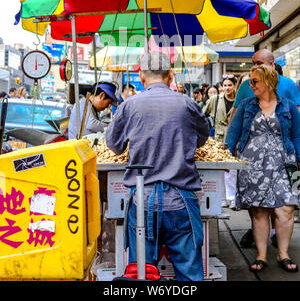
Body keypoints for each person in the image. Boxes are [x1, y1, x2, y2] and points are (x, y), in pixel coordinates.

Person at [106, 51, 210, 281]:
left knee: (142, 274)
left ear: (141, 77)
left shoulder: (129, 105)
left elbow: (114, 146)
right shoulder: (188, 103)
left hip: (142, 199)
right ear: (171, 76)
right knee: (190, 273)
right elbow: (202, 138)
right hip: (181, 200)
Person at [225, 64, 300, 273]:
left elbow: (297, 135)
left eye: (255, 81)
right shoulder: (248, 106)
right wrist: (225, 158)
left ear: (268, 81)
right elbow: (233, 133)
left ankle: (283, 254)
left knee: (287, 208)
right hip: (254, 164)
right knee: (259, 210)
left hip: (287, 162)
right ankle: (261, 255)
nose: (251, 85)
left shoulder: (288, 106)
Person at [203, 75, 237, 209]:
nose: (227, 88)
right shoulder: (215, 99)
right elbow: (202, 115)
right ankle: (222, 198)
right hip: (218, 139)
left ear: (235, 86)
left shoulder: (239, 101)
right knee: (220, 170)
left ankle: (232, 198)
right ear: (221, 87)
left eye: (230, 85)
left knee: (232, 170)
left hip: (234, 139)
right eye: (225, 85)